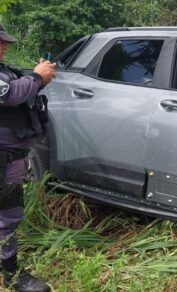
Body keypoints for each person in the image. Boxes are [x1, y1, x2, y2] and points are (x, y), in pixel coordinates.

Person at [0, 24, 55, 292]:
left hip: (12, 159)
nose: (4, 46)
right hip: (3, 161)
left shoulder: (4, 70)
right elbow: (8, 94)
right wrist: (37, 77)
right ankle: (10, 276)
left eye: (4, 42)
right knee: (7, 217)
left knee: (6, 216)